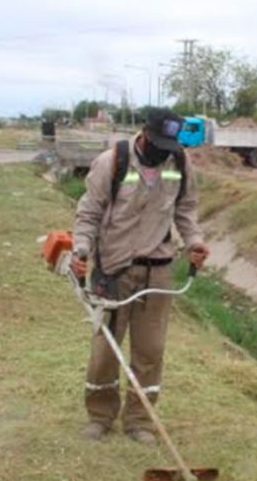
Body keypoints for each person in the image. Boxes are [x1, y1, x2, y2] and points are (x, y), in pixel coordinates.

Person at [70, 108, 210, 444]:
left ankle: (140, 420)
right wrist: (81, 250)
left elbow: (185, 209)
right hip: (114, 268)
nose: (164, 152)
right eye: (159, 143)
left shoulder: (179, 162)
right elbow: (89, 213)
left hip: (157, 271)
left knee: (150, 351)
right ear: (144, 134)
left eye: (170, 145)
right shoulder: (112, 162)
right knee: (107, 348)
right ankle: (100, 415)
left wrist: (194, 241)